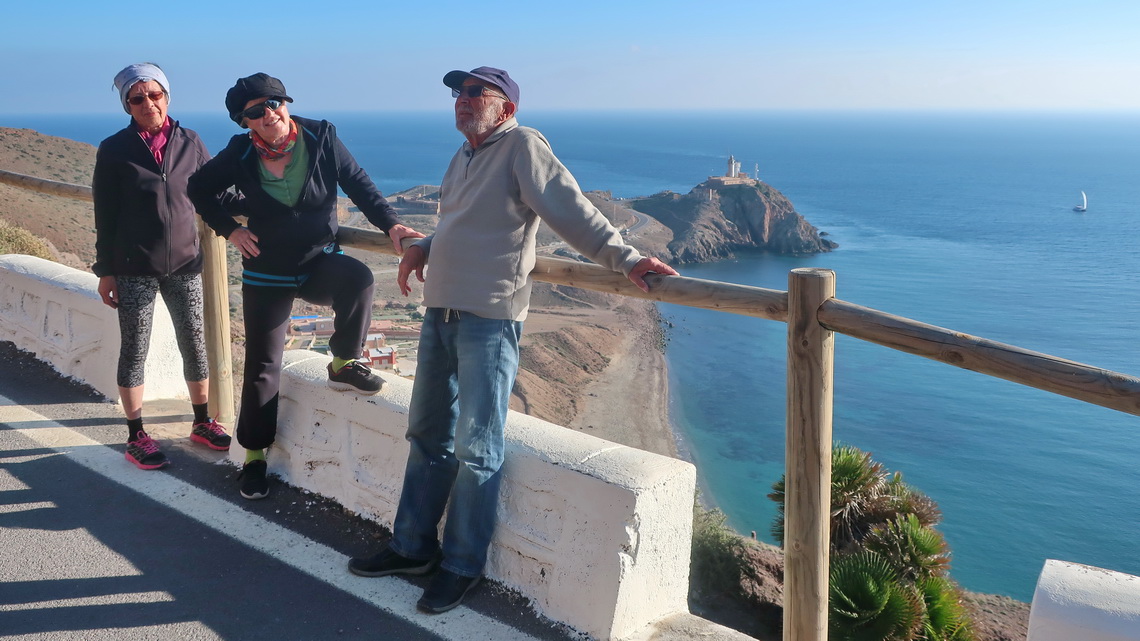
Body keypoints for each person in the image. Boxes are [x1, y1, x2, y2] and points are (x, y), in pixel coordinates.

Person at [347, 67, 678, 614]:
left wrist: (628, 258)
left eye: (477, 92)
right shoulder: (465, 156)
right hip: (442, 313)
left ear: (507, 106)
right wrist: (423, 245)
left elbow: (571, 210)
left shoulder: (522, 145)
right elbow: (462, 223)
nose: (463, 100)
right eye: (459, 92)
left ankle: (460, 566)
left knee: (478, 447)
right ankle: (411, 548)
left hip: (490, 319)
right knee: (427, 434)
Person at [188, 73, 422, 501]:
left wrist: (393, 225)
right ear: (245, 121)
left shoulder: (321, 137)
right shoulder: (240, 153)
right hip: (267, 269)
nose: (270, 113)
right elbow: (198, 189)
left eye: (275, 102)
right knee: (263, 365)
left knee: (359, 279)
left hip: (317, 262)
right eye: (256, 111)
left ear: (286, 103)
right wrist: (229, 230)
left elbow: (361, 186)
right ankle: (255, 456)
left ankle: (343, 363)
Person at [92, 62, 235, 470]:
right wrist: (106, 270)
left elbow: (213, 192)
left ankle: (203, 422)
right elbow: (106, 214)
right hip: (133, 266)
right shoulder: (115, 149)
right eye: (137, 99)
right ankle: (136, 433)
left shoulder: (190, 141)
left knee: (195, 343)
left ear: (167, 98)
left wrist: (261, 206)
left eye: (154, 95)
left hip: (187, 262)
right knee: (135, 349)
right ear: (127, 105)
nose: (148, 104)